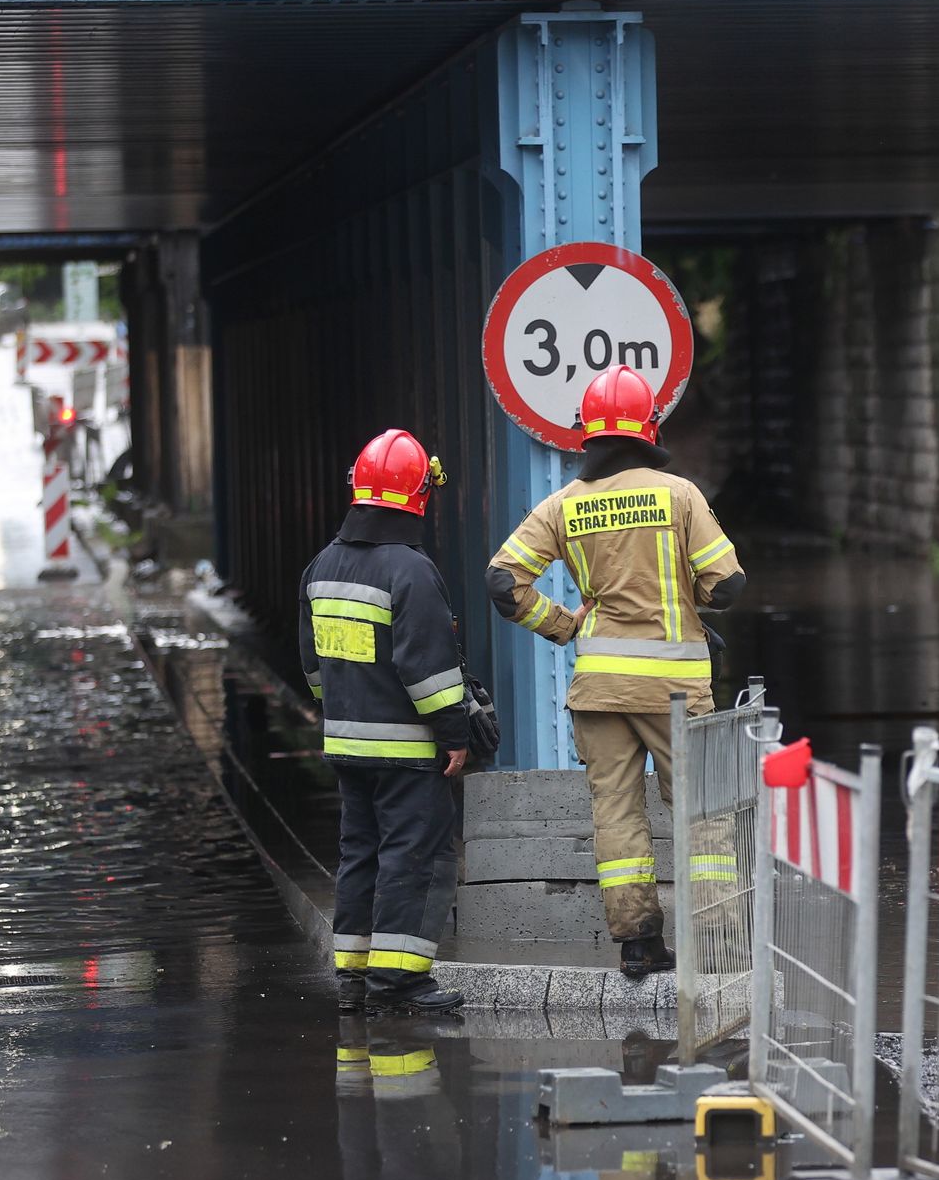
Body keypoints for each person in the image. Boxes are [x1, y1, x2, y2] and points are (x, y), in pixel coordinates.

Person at [486, 366, 746, 979]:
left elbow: (503, 581)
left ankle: (638, 945)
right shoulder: (679, 495)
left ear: (590, 435)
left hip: (598, 687)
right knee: (700, 809)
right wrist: (685, 597)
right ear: (647, 430)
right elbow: (727, 585)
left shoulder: (563, 505)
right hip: (675, 691)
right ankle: (716, 941)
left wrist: (564, 625)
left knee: (617, 813)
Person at [299, 429, 469, 1014]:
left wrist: (343, 708)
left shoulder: (322, 565)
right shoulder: (411, 571)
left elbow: (313, 665)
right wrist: (454, 732)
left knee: (359, 856)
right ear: (419, 494)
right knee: (411, 859)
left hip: (347, 745)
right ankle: (399, 984)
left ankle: (354, 979)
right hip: (407, 751)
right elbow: (427, 669)